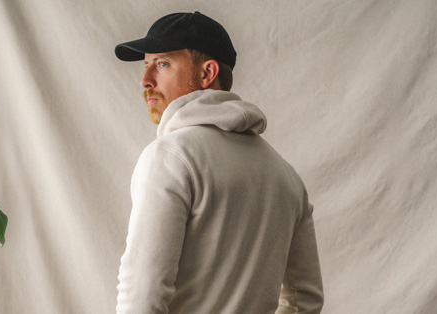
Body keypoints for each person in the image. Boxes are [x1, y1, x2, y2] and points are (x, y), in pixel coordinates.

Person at [114, 11, 323, 314]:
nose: (146, 80)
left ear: (206, 73)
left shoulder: (170, 158)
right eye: (147, 65)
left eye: (162, 64)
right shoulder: (285, 176)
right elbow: (305, 299)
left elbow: (142, 294)